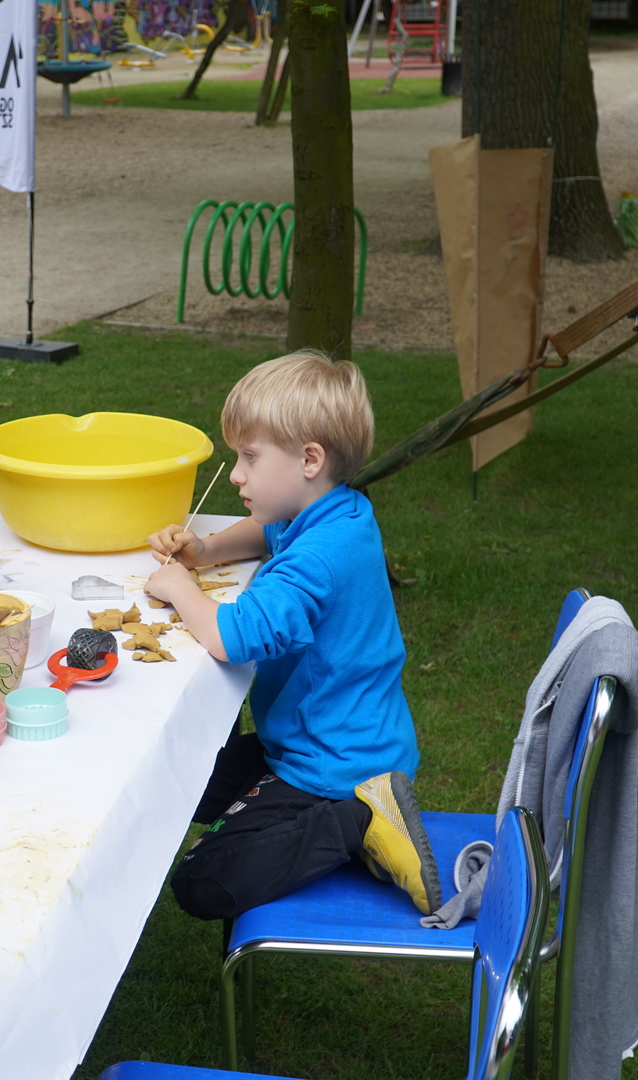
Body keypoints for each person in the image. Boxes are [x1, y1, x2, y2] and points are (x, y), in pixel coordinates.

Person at [144, 352, 440, 920]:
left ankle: (360, 821)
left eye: (250, 457)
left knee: (203, 882)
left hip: (333, 766)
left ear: (309, 459)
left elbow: (235, 636)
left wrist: (181, 587)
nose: (236, 474)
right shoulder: (337, 511)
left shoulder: (318, 559)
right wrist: (205, 551)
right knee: (171, 781)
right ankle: (337, 811)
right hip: (318, 737)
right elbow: (267, 531)